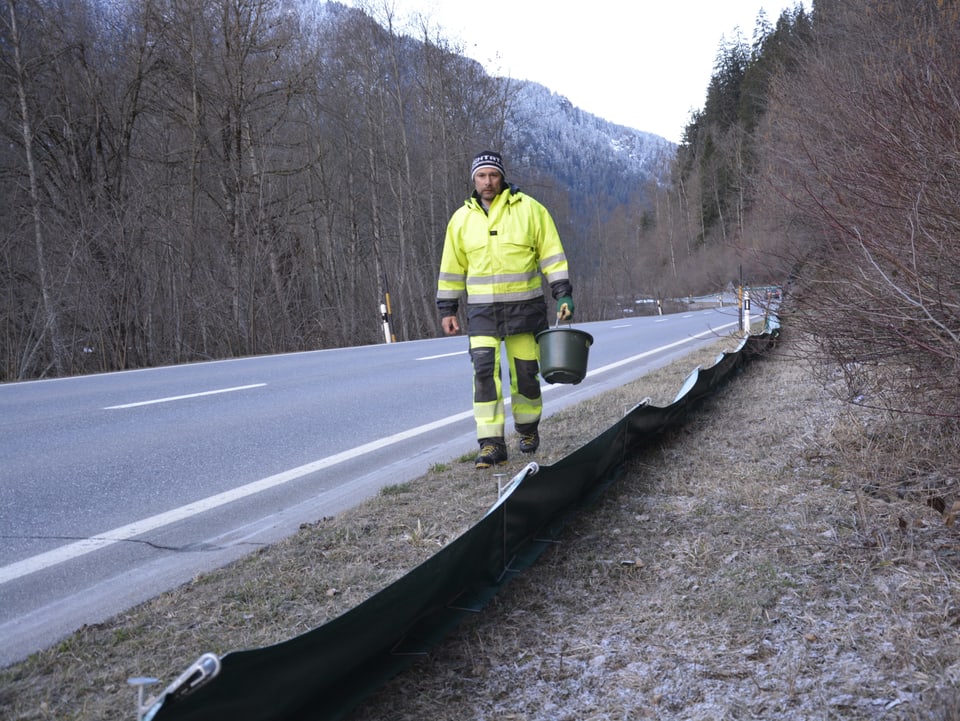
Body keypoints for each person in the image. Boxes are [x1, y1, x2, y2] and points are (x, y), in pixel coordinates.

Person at [437, 150, 574, 469]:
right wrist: (448, 309)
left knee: (526, 376)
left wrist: (563, 294)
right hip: (482, 315)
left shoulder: (530, 210)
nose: (488, 181)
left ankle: (527, 430)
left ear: (502, 177)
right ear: (474, 179)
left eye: (493, 175)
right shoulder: (461, 219)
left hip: (525, 312)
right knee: (484, 374)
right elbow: (451, 268)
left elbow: (552, 255)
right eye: (481, 176)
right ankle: (491, 444)